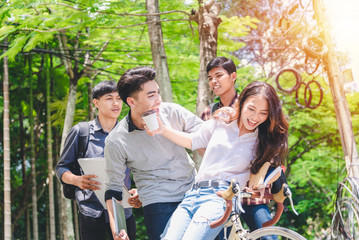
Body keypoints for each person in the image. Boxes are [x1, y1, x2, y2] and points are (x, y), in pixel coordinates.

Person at [148, 81, 289, 240]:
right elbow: (193, 141)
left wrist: (261, 182)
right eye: (251, 109)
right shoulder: (223, 119)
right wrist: (163, 130)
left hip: (220, 198)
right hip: (192, 194)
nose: (256, 117)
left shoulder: (265, 142)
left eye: (263, 113)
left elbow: (263, 176)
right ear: (241, 103)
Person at [104, 66, 203, 240]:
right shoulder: (116, 140)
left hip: (193, 190)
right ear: (131, 102)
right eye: (151, 95)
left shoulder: (172, 112)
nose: (158, 100)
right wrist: (117, 228)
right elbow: (113, 189)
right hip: (157, 200)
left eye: (157, 92)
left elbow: (205, 135)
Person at [202, 57, 275, 240]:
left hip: (250, 195)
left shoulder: (253, 104)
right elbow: (204, 148)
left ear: (233, 76)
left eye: (219, 75)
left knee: (268, 236)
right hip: (219, 196)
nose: (214, 81)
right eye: (210, 78)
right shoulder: (208, 113)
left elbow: (269, 142)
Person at [55, 81, 137, 240]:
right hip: (91, 212)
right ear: (96, 103)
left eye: (119, 98)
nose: (116, 103)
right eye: (109, 98)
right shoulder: (81, 132)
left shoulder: (129, 135)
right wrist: (76, 179)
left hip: (123, 211)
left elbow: (141, 170)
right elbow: (61, 168)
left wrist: (137, 190)